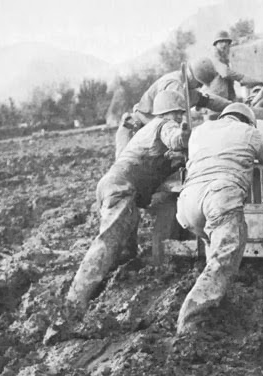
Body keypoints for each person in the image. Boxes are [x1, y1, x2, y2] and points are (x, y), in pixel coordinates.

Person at [66, 90, 190, 310]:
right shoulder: (164, 126)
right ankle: (74, 304)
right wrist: (186, 135)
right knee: (106, 246)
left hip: (114, 186)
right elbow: (176, 138)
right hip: (121, 190)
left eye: (182, 114)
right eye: (178, 113)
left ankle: (106, 294)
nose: (180, 117)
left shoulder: (149, 131)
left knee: (126, 252)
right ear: (168, 113)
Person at [175, 103, 263, 334]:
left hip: (187, 202)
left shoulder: (201, 130)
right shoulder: (250, 133)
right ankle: (191, 320)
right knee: (224, 258)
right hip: (220, 197)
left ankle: (216, 306)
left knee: (213, 251)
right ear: (248, 120)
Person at [115, 57, 232, 158]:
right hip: (134, 131)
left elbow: (208, 100)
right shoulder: (174, 86)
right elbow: (174, 123)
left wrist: (233, 106)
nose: (199, 87)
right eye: (199, 84)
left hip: (151, 135)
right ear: (192, 77)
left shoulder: (186, 88)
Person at [201, 30, 263, 101]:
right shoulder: (214, 59)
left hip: (222, 98)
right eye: (221, 42)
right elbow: (226, 73)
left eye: (226, 42)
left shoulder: (225, 60)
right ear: (216, 44)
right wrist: (243, 78)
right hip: (213, 99)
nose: (224, 44)